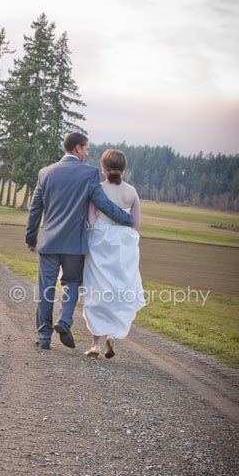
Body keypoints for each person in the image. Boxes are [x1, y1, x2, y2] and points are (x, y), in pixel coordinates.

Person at [26, 133, 133, 350]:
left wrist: (31, 237)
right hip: (74, 244)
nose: (87, 153)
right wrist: (127, 218)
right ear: (76, 148)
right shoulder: (89, 173)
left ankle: (44, 338)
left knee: (46, 288)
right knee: (71, 284)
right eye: (86, 149)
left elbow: (35, 207)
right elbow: (102, 203)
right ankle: (64, 321)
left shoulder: (45, 173)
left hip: (48, 243)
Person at [82, 149, 146, 359]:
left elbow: (91, 222)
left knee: (96, 291)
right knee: (119, 291)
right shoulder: (132, 192)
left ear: (103, 168)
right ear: (124, 169)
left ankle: (95, 345)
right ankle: (111, 337)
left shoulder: (97, 190)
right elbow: (135, 224)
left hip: (101, 244)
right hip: (123, 247)